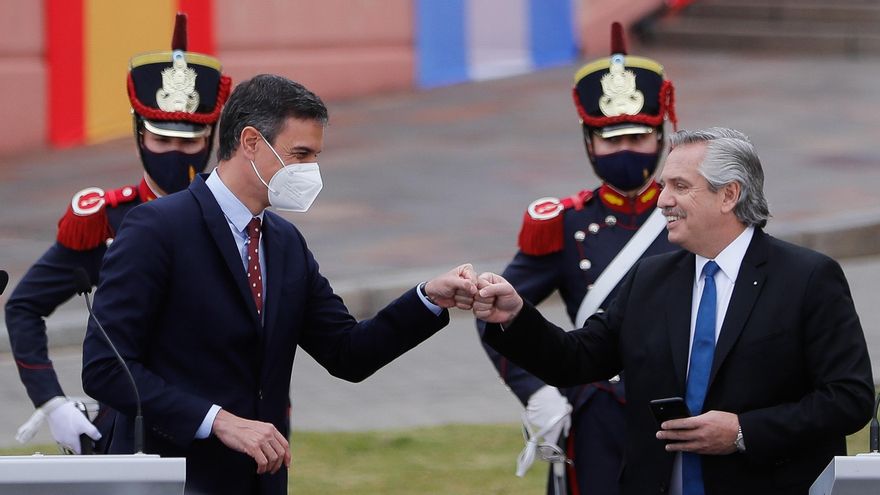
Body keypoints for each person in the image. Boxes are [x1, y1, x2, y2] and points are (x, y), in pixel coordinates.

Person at [81, 73, 478, 495]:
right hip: (173, 479)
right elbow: (106, 368)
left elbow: (348, 352)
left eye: (315, 157)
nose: (309, 171)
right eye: (300, 154)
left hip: (261, 481)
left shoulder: (285, 243)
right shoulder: (158, 228)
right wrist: (216, 420)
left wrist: (428, 299)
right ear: (251, 142)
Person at [475, 127, 875, 495]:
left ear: (729, 195)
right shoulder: (651, 278)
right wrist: (515, 315)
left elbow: (848, 398)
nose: (662, 200)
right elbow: (576, 359)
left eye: (680, 186)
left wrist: (743, 431)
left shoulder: (807, 277)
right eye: (664, 185)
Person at [5, 12, 231, 454]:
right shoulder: (107, 220)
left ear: (210, 140)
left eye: (189, 142)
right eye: (162, 140)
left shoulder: (233, 217)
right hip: (134, 427)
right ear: (139, 136)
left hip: (222, 424)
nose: (176, 154)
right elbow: (25, 306)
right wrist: (52, 402)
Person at [475, 22, 678, 494]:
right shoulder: (565, 222)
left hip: (680, 405)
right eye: (611, 139)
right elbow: (497, 312)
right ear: (590, 143)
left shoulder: (686, 213)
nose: (625, 150)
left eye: (637, 138)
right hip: (598, 411)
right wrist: (538, 393)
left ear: (661, 137)